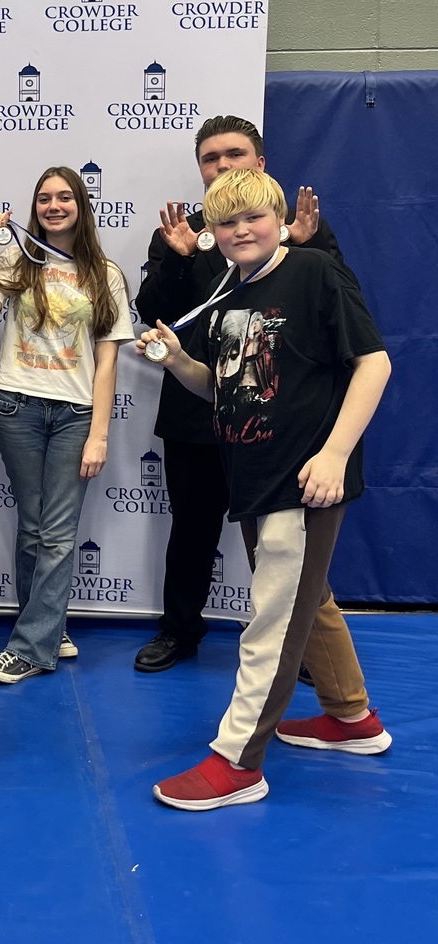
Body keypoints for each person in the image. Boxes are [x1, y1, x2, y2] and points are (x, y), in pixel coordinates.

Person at [137, 168, 392, 811]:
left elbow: (374, 362)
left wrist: (334, 455)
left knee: (274, 618)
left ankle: (238, 761)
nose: (240, 229)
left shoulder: (313, 272)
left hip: (301, 479)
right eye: (226, 222)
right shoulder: (229, 294)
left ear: (279, 218)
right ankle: (350, 717)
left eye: (253, 216)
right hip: (252, 475)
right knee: (310, 599)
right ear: (213, 234)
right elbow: (217, 387)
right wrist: (176, 362)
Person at [134, 115, 354, 676]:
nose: (222, 164)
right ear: (200, 168)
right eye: (211, 158)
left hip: (280, 420)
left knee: (286, 543)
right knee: (192, 531)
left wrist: (309, 243)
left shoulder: (294, 232)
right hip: (198, 409)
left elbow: (346, 314)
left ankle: (300, 642)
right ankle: (179, 632)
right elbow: (154, 313)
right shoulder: (185, 233)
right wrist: (181, 258)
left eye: (234, 153)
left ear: (259, 160)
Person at [0, 167, 134, 683]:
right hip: (17, 405)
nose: (54, 205)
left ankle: (31, 647)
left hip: (75, 414)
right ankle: (47, 624)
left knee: (58, 534)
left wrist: (99, 434)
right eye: (44, 198)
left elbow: (107, 363)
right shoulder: (20, 257)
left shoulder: (104, 273)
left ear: (81, 205)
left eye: (65, 197)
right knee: (33, 528)